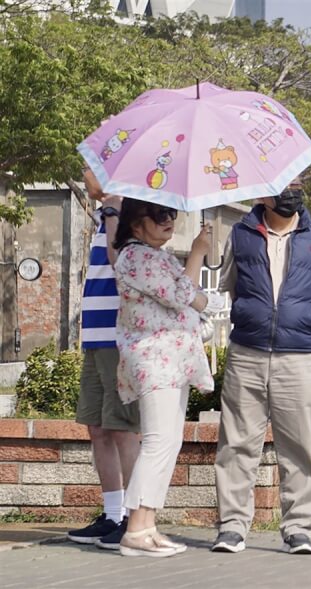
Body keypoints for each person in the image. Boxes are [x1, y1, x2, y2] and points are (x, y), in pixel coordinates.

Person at [212, 181, 311, 555]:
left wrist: (297, 321)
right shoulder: (239, 235)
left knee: (299, 443)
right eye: (284, 186)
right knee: (237, 443)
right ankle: (232, 527)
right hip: (247, 352)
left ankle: (299, 527)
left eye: (299, 184)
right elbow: (234, 290)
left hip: (298, 355)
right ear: (262, 194)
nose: (293, 192)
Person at [112, 199, 216, 557]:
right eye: (159, 215)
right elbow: (181, 296)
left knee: (169, 443)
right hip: (156, 361)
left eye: (172, 214)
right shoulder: (137, 256)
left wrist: (194, 292)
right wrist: (199, 253)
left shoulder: (155, 256)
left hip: (171, 361)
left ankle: (147, 525)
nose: (169, 221)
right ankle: (136, 529)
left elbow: (195, 298)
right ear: (135, 223)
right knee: (158, 442)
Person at [67, 169, 140, 551]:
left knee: (122, 427)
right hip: (95, 333)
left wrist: (112, 209)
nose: (85, 174)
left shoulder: (127, 211)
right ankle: (112, 514)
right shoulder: (104, 214)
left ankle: (133, 517)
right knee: (97, 427)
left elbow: (120, 262)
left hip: (118, 334)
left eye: (90, 168)